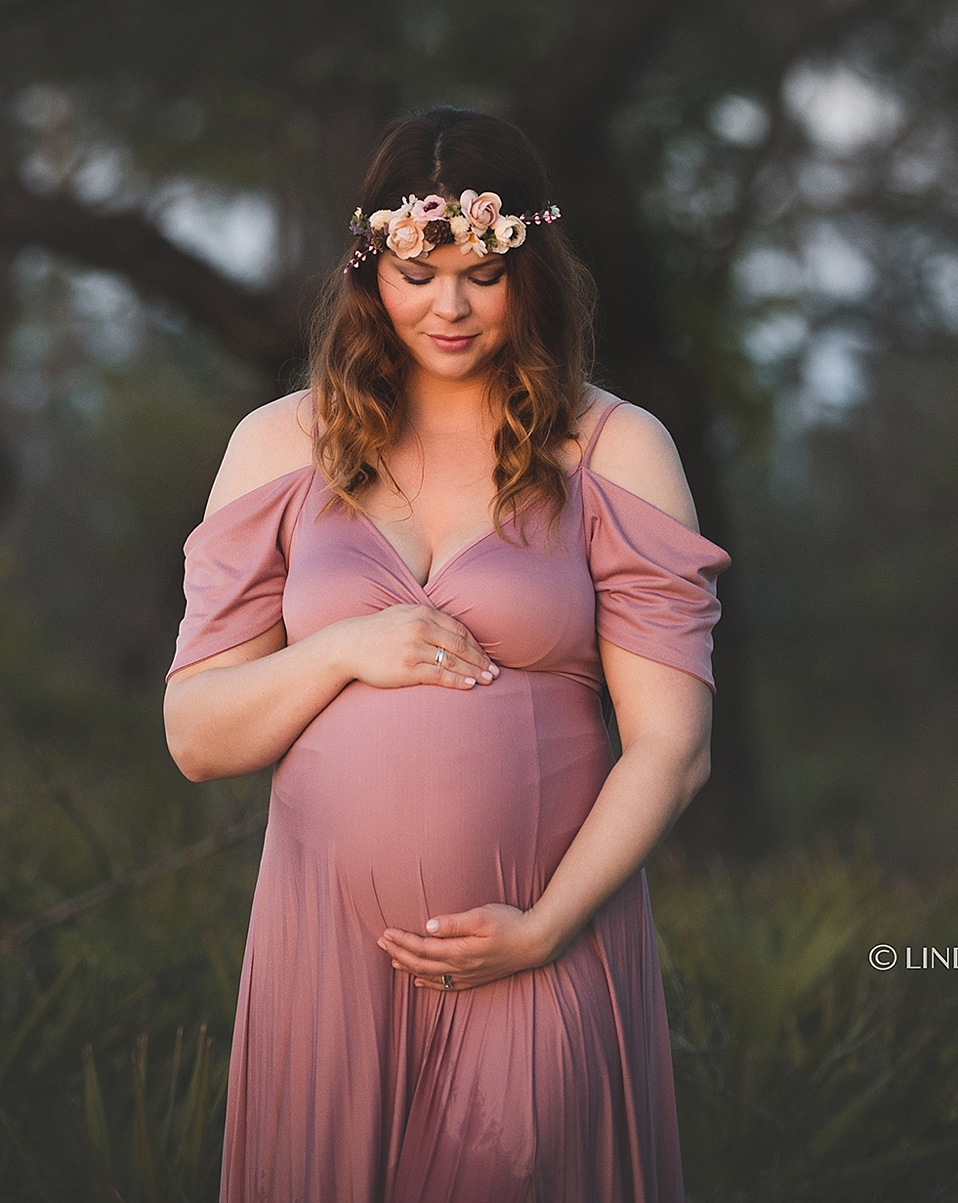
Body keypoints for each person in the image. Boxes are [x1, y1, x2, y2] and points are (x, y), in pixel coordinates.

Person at [161, 106, 729, 1202]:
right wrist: (344, 650)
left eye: (483, 272)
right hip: (325, 961)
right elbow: (195, 736)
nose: (450, 306)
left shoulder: (612, 449)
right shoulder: (280, 445)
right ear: (372, 265)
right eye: (419, 271)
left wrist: (543, 929)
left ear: (532, 269)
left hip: (540, 942)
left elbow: (672, 751)